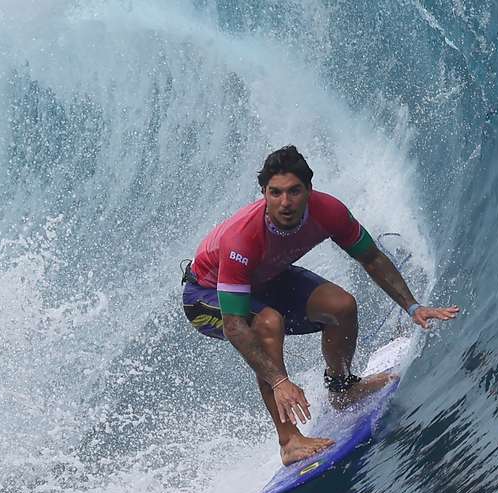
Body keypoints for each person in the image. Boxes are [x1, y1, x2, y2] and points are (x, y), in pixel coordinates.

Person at [181, 145, 459, 465]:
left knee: (341, 306)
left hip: (267, 279)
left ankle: (342, 389)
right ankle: (289, 440)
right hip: (205, 296)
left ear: (309, 191)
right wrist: (280, 381)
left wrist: (413, 307)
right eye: (275, 193)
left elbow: (371, 257)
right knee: (268, 322)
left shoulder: (329, 212)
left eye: (294, 192)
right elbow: (234, 324)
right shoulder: (241, 239)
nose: (285, 203)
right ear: (263, 194)